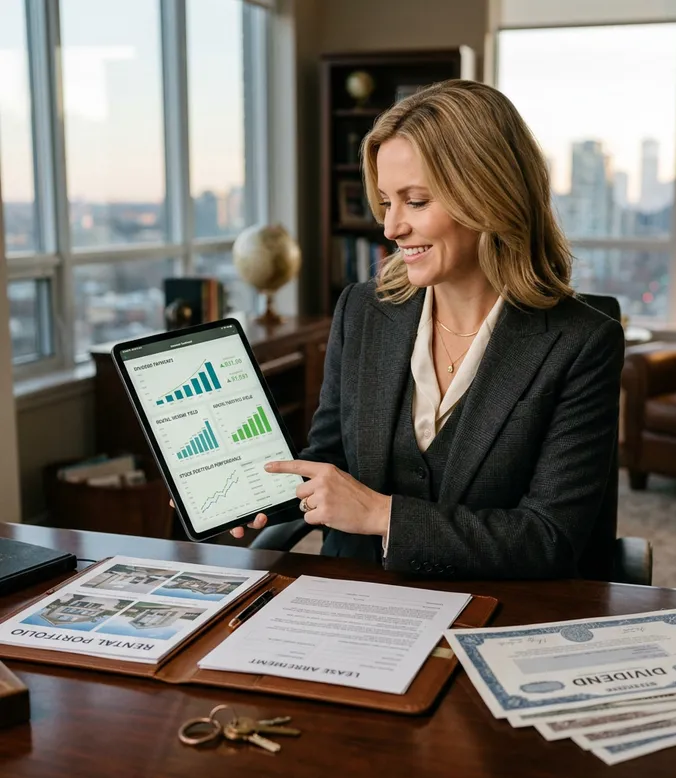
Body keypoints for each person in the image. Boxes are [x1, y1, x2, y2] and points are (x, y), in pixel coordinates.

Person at [239, 79, 624, 580]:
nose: (390, 227)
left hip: (495, 611)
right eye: (385, 201)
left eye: (415, 202)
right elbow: (329, 459)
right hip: (353, 601)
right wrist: (255, 491)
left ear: (488, 196)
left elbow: (548, 538)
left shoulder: (580, 343)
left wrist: (382, 515)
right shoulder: (362, 311)